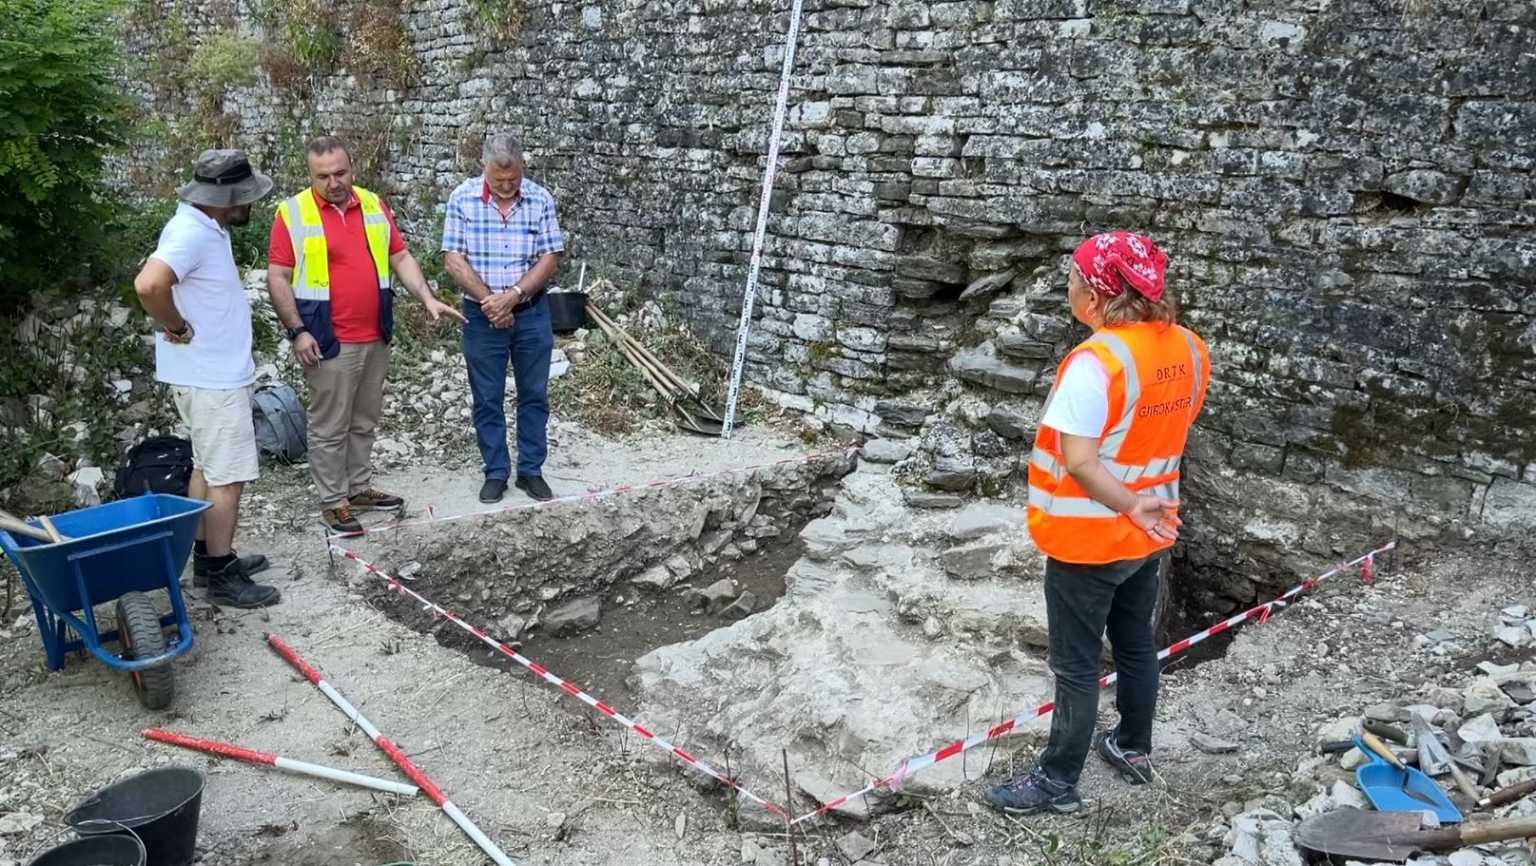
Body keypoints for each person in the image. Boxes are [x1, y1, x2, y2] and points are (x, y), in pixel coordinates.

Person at [984, 231, 1210, 814]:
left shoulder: (1096, 362)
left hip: (1090, 538)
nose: (1068, 287)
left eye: (1073, 279)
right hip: (1150, 531)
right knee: (1135, 641)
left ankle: (1058, 780)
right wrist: (1141, 507)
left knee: (1077, 665)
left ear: (1096, 293)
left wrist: (1127, 503)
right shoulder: (1187, 347)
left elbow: (1081, 461)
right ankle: (1132, 745)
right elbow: (1163, 433)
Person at [265, 136, 464, 534]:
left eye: (340, 173)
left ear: (352, 167)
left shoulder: (372, 204)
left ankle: (357, 488)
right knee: (330, 423)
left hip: (375, 333)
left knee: (364, 418)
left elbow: (400, 256)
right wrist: (297, 332)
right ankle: (333, 500)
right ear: (310, 175)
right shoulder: (293, 213)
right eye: (323, 176)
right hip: (326, 338)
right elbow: (278, 277)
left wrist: (426, 297)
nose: (333, 182)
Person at [133, 149, 282, 609]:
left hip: (206, 375)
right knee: (228, 477)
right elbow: (148, 284)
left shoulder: (203, 226)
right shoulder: (190, 233)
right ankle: (219, 573)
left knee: (207, 467)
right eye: (244, 198)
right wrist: (175, 326)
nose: (249, 205)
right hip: (211, 379)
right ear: (225, 198)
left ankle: (207, 557)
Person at [441, 134, 565, 504]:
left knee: (534, 394)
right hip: (480, 317)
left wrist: (513, 297)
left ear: (521, 168)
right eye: (499, 181)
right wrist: (490, 303)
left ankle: (531, 471)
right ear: (484, 169)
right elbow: (453, 258)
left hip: (531, 313)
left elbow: (549, 257)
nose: (508, 186)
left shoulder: (540, 198)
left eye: (514, 179)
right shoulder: (462, 198)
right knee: (487, 397)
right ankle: (495, 471)